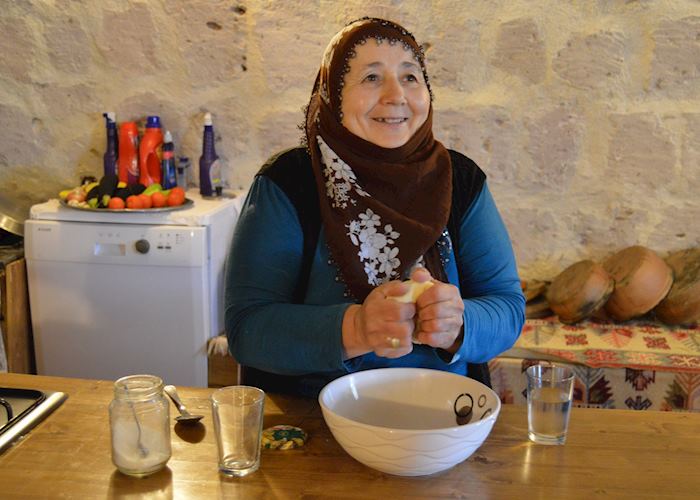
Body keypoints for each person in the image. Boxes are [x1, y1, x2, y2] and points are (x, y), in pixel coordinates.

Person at [224, 17, 525, 397]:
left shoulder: (459, 181)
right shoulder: (290, 182)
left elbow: (509, 309)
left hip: (441, 420)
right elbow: (247, 329)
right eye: (371, 78)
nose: (396, 95)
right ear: (332, 94)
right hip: (316, 425)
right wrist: (357, 328)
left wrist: (459, 325)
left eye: (410, 77)